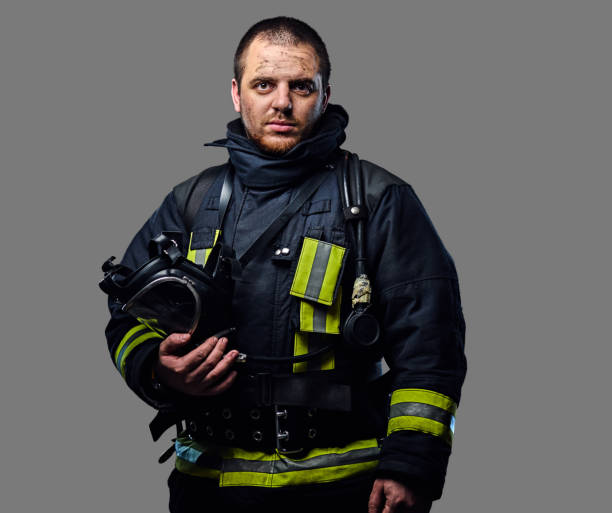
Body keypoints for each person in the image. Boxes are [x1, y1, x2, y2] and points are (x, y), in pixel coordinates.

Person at [104, 16, 467, 513]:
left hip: (344, 489)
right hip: (210, 488)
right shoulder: (192, 201)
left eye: (300, 86)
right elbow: (128, 317)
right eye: (263, 84)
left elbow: (431, 346)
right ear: (236, 94)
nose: (281, 102)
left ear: (324, 92)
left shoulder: (378, 199)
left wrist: (410, 465)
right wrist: (158, 367)